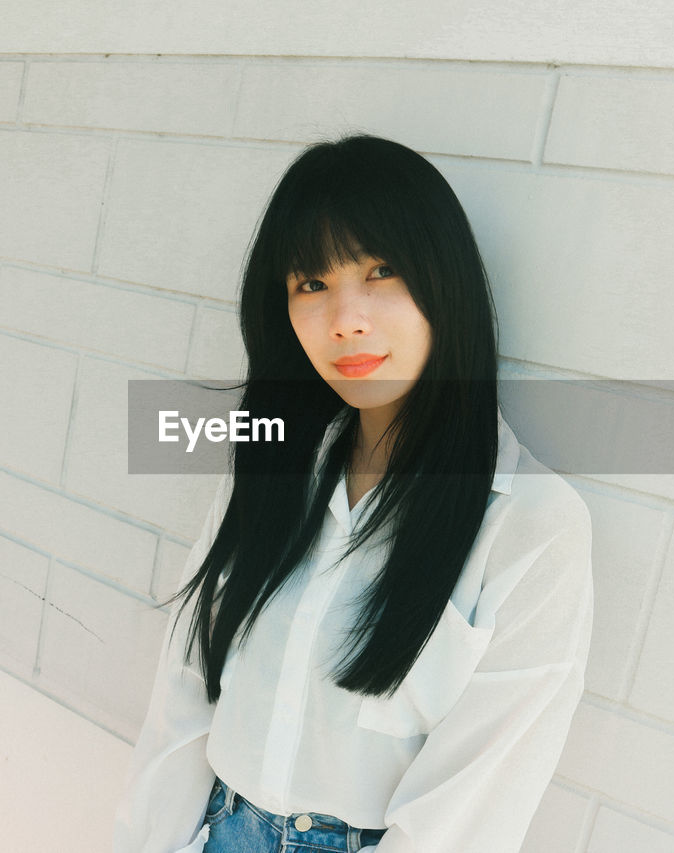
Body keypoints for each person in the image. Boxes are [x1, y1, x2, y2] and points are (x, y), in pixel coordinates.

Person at [114, 134, 594, 853]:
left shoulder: (528, 523)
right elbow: (185, 691)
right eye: (311, 283)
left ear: (444, 279)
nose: (345, 319)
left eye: (381, 270)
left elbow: (471, 807)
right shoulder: (275, 466)